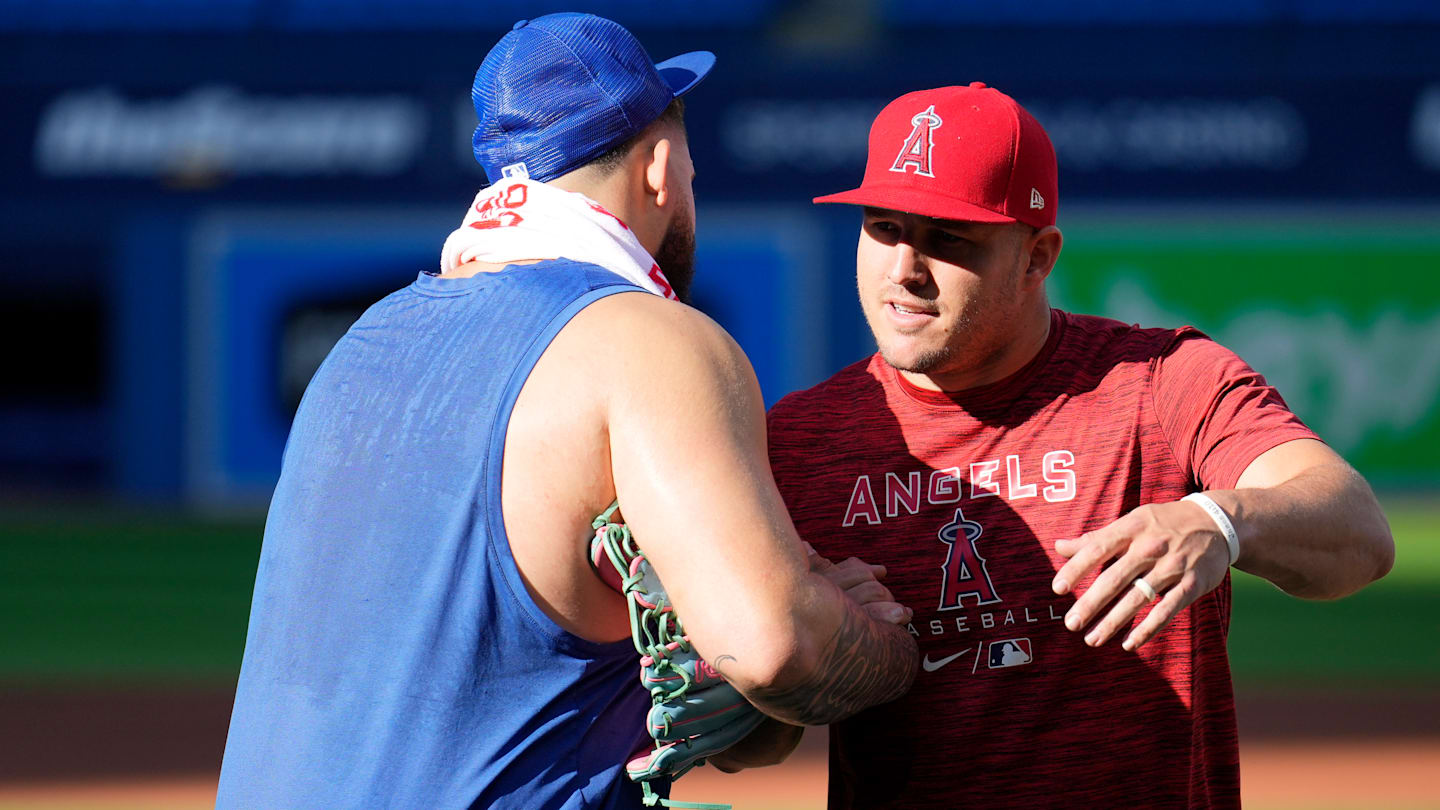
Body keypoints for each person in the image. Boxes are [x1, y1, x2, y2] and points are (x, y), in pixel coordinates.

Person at [214, 14, 916, 810]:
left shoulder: (362, 342)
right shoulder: (651, 342)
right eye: (687, 162)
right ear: (657, 167)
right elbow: (773, 648)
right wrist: (878, 639)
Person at [764, 83, 1395, 809]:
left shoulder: (1162, 383)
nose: (904, 270)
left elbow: (1360, 535)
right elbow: (758, 739)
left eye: (948, 240)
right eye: (883, 228)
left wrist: (1222, 522)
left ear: (1037, 257)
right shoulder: (800, 441)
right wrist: (792, 659)